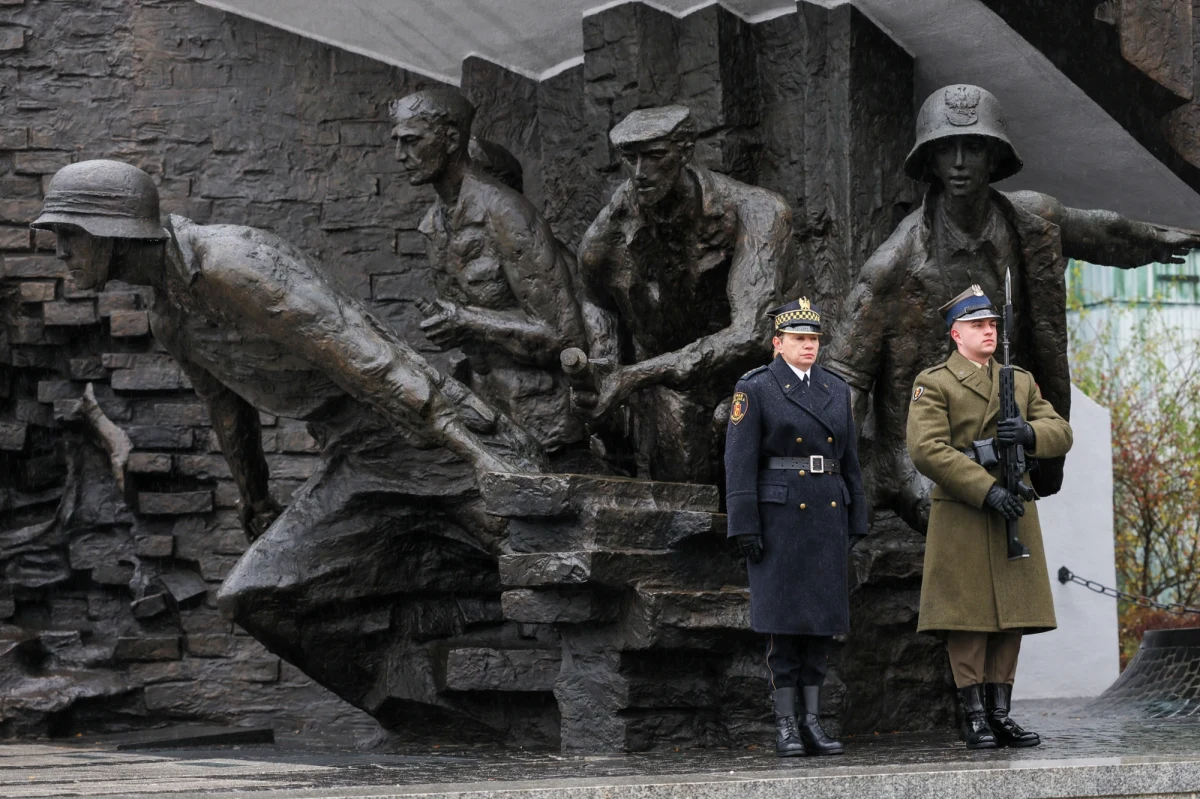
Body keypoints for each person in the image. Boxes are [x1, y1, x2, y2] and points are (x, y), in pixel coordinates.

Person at [30, 158, 545, 725]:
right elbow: (227, 407)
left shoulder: (230, 262)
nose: (61, 252)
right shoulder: (169, 317)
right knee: (254, 596)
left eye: (68, 234)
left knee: (541, 559)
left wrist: (473, 450)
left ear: (111, 231)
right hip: (356, 458)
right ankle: (441, 722)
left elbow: (361, 349)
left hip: (422, 438)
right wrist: (255, 499)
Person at [824, 84, 1200, 533]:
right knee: (958, 515)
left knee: (1012, 524)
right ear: (930, 162)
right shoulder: (892, 266)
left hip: (1007, 432)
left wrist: (1157, 240)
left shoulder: (1032, 221)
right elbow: (844, 381)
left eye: (973, 148)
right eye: (945, 150)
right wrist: (836, 480)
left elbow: (1103, 232)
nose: (959, 163)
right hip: (924, 446)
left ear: (994, 157)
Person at [575, 105, 794, 483]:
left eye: (654, 156)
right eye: (630, 159)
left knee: (743, 429)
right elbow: (596, 298)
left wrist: (633, 376)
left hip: (760, 372)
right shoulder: (609, 232)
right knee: (683, 484)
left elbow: (754, 333)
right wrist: (604, 372)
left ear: (685, 152)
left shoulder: (758, 212)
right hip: (671, 385)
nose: (639, 173)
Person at [906, 285, 1073, 749]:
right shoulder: (935, 382)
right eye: (978, 325)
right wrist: (985, 489)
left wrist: (1029, 432)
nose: (989, 332)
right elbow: (927, 449)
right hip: (965, 511)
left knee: (1012, 615)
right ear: (955, 334)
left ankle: (1001, 714)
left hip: (1014, 506)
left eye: (992, 325)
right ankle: (975, 715)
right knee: (969, 618)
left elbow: (1061, 431)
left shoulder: (1018, 380)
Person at [391, 88, 590, 453]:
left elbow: (564, 337)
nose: (399, 155)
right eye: (397, 141)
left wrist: (467, 321)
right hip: (486, 418)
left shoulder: (506, 212)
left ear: (451, 139)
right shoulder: (433, 223)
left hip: (543, 422)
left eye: (411, 141)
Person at [724, 297, 868, 757]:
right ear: (778, 343)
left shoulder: (835, 388)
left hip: (826, 514)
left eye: (814, 339)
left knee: (820, 630)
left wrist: (857, 515)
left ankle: (812, 722)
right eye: (799, 339)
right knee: (784, 630)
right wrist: (745, 523)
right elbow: (739, 460)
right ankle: (786, 723)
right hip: (780, 519)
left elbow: (849, 459)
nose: (809, 346)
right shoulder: (756, 387)